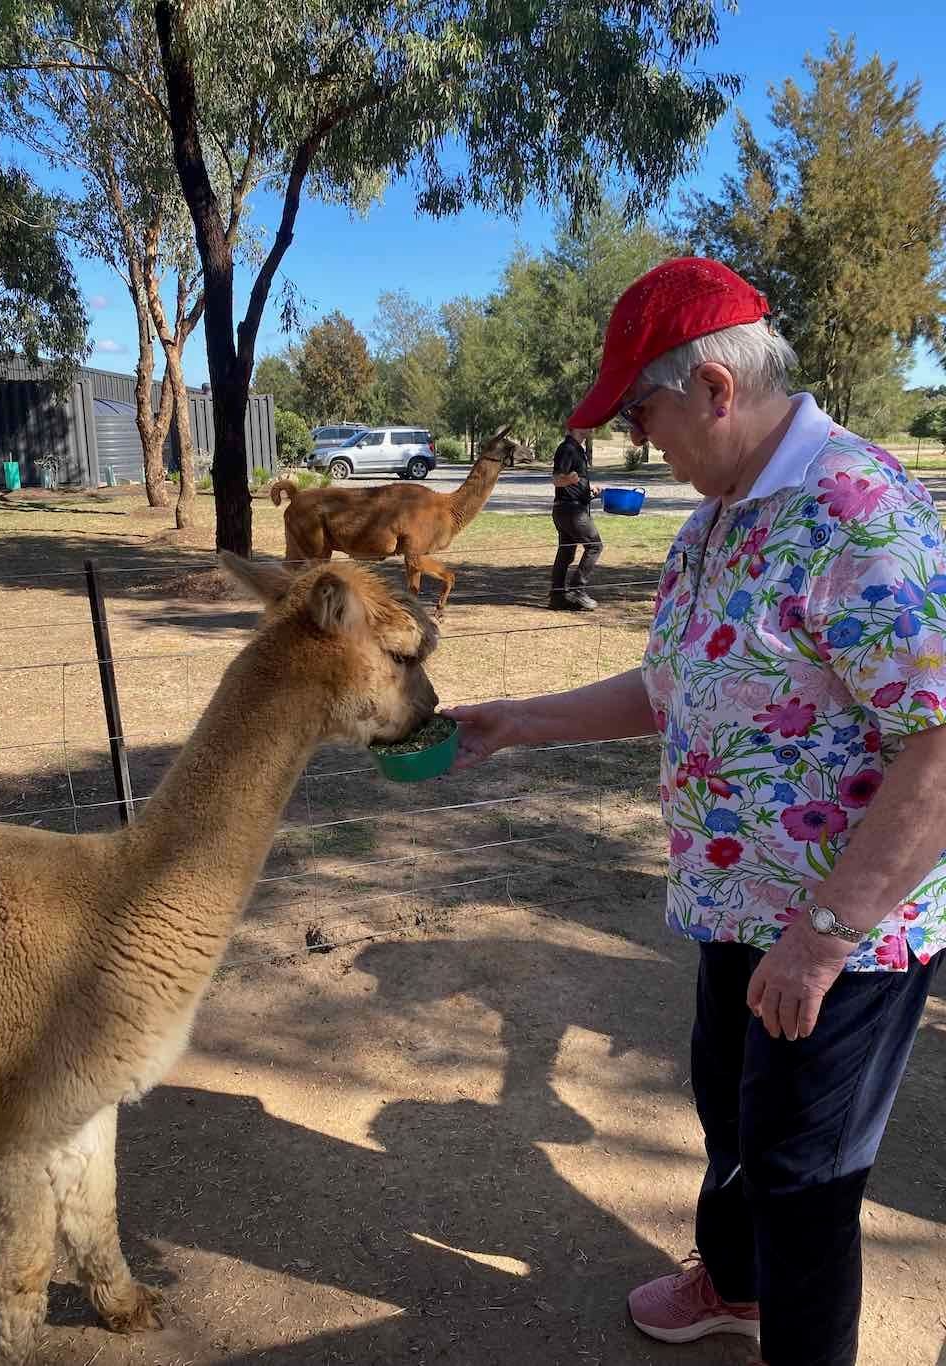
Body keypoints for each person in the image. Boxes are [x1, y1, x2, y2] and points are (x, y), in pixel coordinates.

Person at [445, 257, 946, 1366]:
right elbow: (676, 686)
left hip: (843, 929)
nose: (636, 440)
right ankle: (737, 1287)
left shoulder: (856, 516)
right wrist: (517, 721)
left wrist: (821, 940)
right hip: (735, 899)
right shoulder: (714, 521)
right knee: (730, 1108)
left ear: (716, 388)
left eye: (644, 412)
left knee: (804, 1168)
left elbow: (942, 739)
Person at [549, 425, 602, 610]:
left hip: (565, 510)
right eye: (587, 423)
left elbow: (575, 478)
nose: (592, 426)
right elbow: (557, 479)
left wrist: (589, 489)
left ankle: (557, 597)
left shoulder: (577, 448)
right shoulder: (567, 448)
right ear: (575, 427)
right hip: (572, 511)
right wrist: (569, 481)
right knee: (595, 545)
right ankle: (578, 589)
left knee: (566, 552)